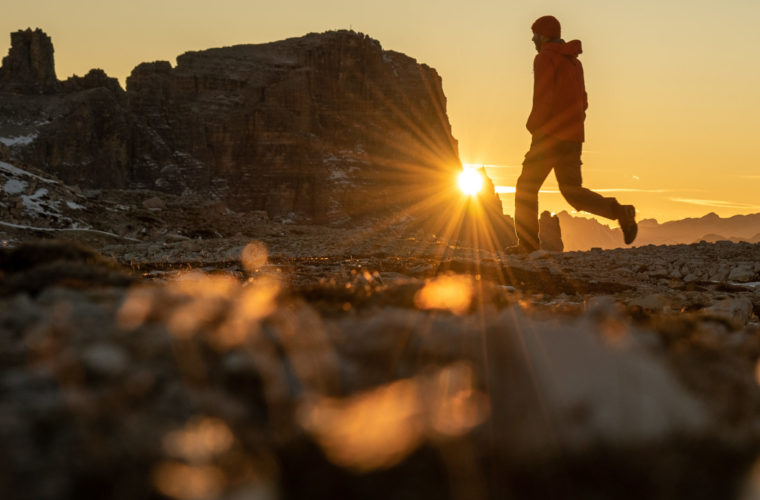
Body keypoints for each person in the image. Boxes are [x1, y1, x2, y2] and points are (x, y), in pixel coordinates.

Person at [506, 15, 637, 254]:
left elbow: (543, 96)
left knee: (526, 188)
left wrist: (534, 126)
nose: (532, 39)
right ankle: (621, 212)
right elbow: (583, 101)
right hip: (573, 138)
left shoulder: (544, 58)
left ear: (543, 35)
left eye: (534, 34)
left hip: (549, 136)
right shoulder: (574, 63)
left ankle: (526, 245)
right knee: (572, 191)